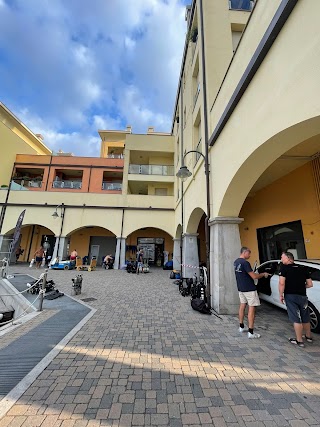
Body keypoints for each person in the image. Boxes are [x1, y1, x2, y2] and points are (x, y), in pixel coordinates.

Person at [279, 251, 313, 348]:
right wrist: (301, 287)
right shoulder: (303, 268)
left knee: (296, 318)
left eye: (282, 257)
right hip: (302, 296)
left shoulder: (284, 268)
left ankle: (299, 340)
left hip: (290, 296)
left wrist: (281, 295)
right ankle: (308, 337)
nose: (281, 259)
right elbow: (310, 284)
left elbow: (281, 283)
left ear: (289, 258)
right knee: (305, 316)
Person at [234, 247, 270, 338]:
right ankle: (251, 332)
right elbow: (254, 276)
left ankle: (241, 327)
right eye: (249, 254)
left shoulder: (236, 262)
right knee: (251, 308)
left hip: (241, 288)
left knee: (242, 306)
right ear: (245, 252)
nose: (249, 256)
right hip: (249, 288)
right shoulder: (245, 263)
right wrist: (263, 274)